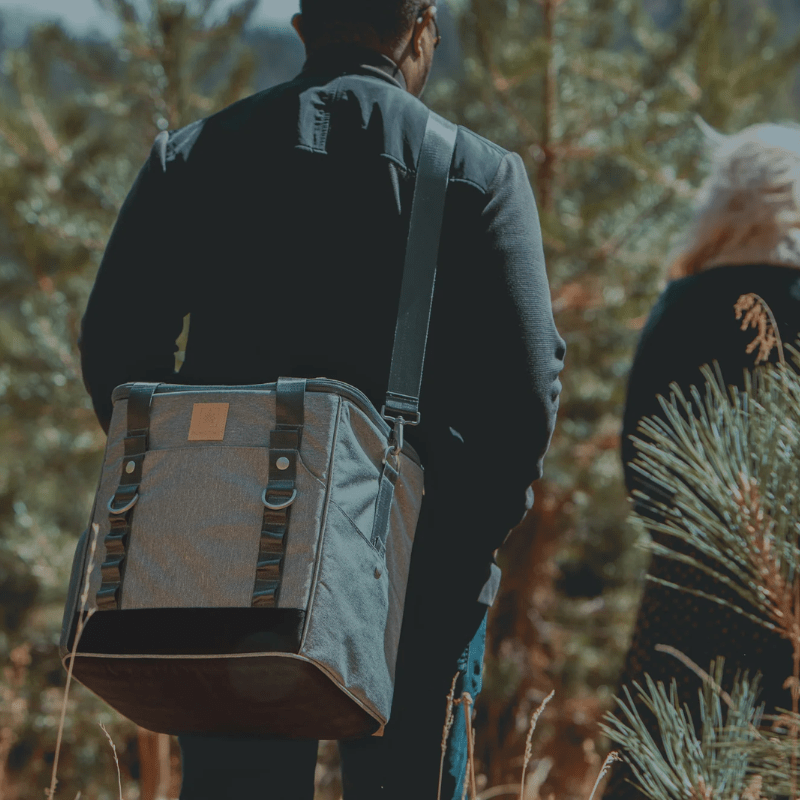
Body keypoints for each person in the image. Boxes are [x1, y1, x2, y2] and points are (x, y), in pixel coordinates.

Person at [77, 1, 566, 797]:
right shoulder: (479, 174)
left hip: (224, 566)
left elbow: (115, 352)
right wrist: (449, 542)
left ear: (304, 28)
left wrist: (194, 485)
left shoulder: (191, 157)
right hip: (420, 578)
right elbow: (525, 393)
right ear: (422, 28)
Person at [604, 121, 800, 799]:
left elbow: (640, 456)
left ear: (723, 201)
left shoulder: (679, 307)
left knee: (662, 773)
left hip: (686, 597)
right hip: (795, 603)